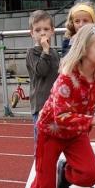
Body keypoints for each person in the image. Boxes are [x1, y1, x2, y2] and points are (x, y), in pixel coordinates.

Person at [19, 24, 95, 188]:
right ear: (84, 49)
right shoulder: (66, 78)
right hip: (51, 132)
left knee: (90, 175)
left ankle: (64, 173)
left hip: (77, 133)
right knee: (45, 186)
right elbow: (61, 117)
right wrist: (92, 120)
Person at [25, 10, 60, 142]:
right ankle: (40, 162)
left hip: (56, 103)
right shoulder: (31, 53)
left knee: (57, 139)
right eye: (38, 30)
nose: (42, 33)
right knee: (42, 140)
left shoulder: (54, 53)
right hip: (41, 104)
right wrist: (45, 51)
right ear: (32, 33)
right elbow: (41, 70)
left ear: (52, 31)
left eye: (46, 29)